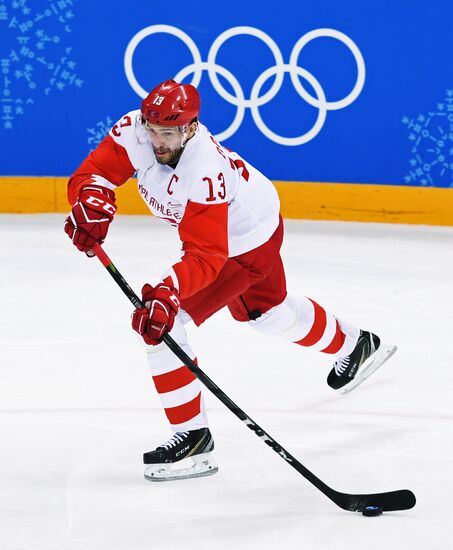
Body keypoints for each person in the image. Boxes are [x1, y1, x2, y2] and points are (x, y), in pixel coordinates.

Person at [64, 80, 396, 482]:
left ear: (190, 128)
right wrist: (90, 201)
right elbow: (95, 172)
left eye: (167, 132)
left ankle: (193, 439)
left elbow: (207, 256)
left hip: (245, 242)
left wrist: (170, 291)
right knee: (269, 315)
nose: (156, 140)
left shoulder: (204, 170)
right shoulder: (135, 129)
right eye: (152, 129)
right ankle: (359, 344)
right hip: (252, 222)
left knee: (161, 326)